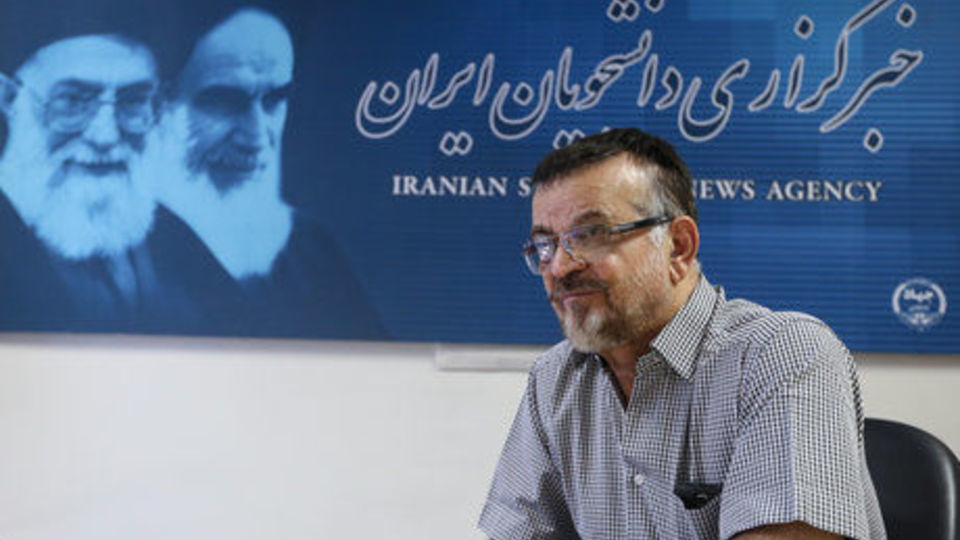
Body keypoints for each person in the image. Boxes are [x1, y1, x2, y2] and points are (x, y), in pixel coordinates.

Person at [478, 128, 885, 539]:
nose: (560, 267)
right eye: (544, 245)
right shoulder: (553, 379)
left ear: (678, 246)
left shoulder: (783, 355)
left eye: (590, 235)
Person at [0, 11, 245, 333]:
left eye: (133, 101)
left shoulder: (173, 240)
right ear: (8, 99)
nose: (106, 136)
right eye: (72, 101)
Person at [156, 5, 383, 338]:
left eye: (274, 99)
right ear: (161, 105)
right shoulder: (115, 261)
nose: (257, 138)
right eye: (226, 101)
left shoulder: (309, 247)